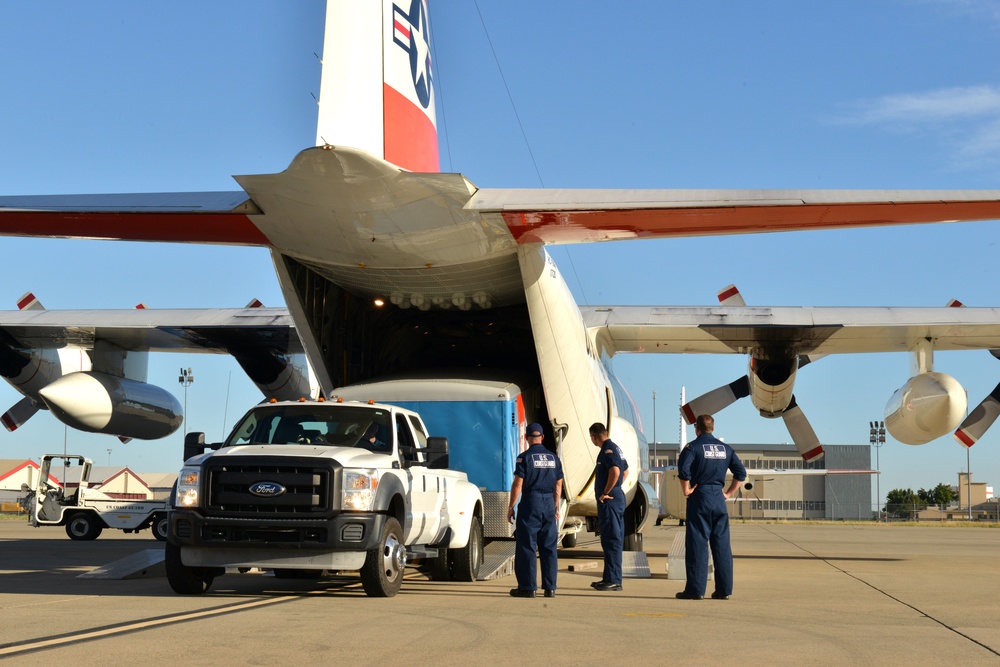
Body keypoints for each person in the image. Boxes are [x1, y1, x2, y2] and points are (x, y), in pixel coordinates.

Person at [676, 414, 746, 600]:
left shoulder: (692, 448)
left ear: (697, 429)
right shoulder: (726, 449)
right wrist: (728, 493)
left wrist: (687, 490)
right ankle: (723, 590)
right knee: (722, 546)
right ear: (713, 428)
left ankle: (695, 590)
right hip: (719, 499)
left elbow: (683, 471)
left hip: (700, 498)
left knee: (698, 545)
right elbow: (741, 473)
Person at [507, 423, 564, 598]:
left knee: (527, 545)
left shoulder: (524, 458)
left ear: (526, 437)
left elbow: (518, 484)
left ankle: (528, 587)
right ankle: (550, 588)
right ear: (543, 437)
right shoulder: (554, 458)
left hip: (531, 502)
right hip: (548, 503)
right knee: (548, 547)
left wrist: (511, 507)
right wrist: (555, 507)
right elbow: (558, 484)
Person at [589, 422, 628, 592]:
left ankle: (614, 580)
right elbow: (625, 471)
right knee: (609, 539)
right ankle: (608, 578)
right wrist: (617, 487)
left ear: (594, 437)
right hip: (616, 497)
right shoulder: (616, 448)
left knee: (612, 539)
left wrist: (607, 491)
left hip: (610, 500)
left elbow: (616, 472)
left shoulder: (607, 450)